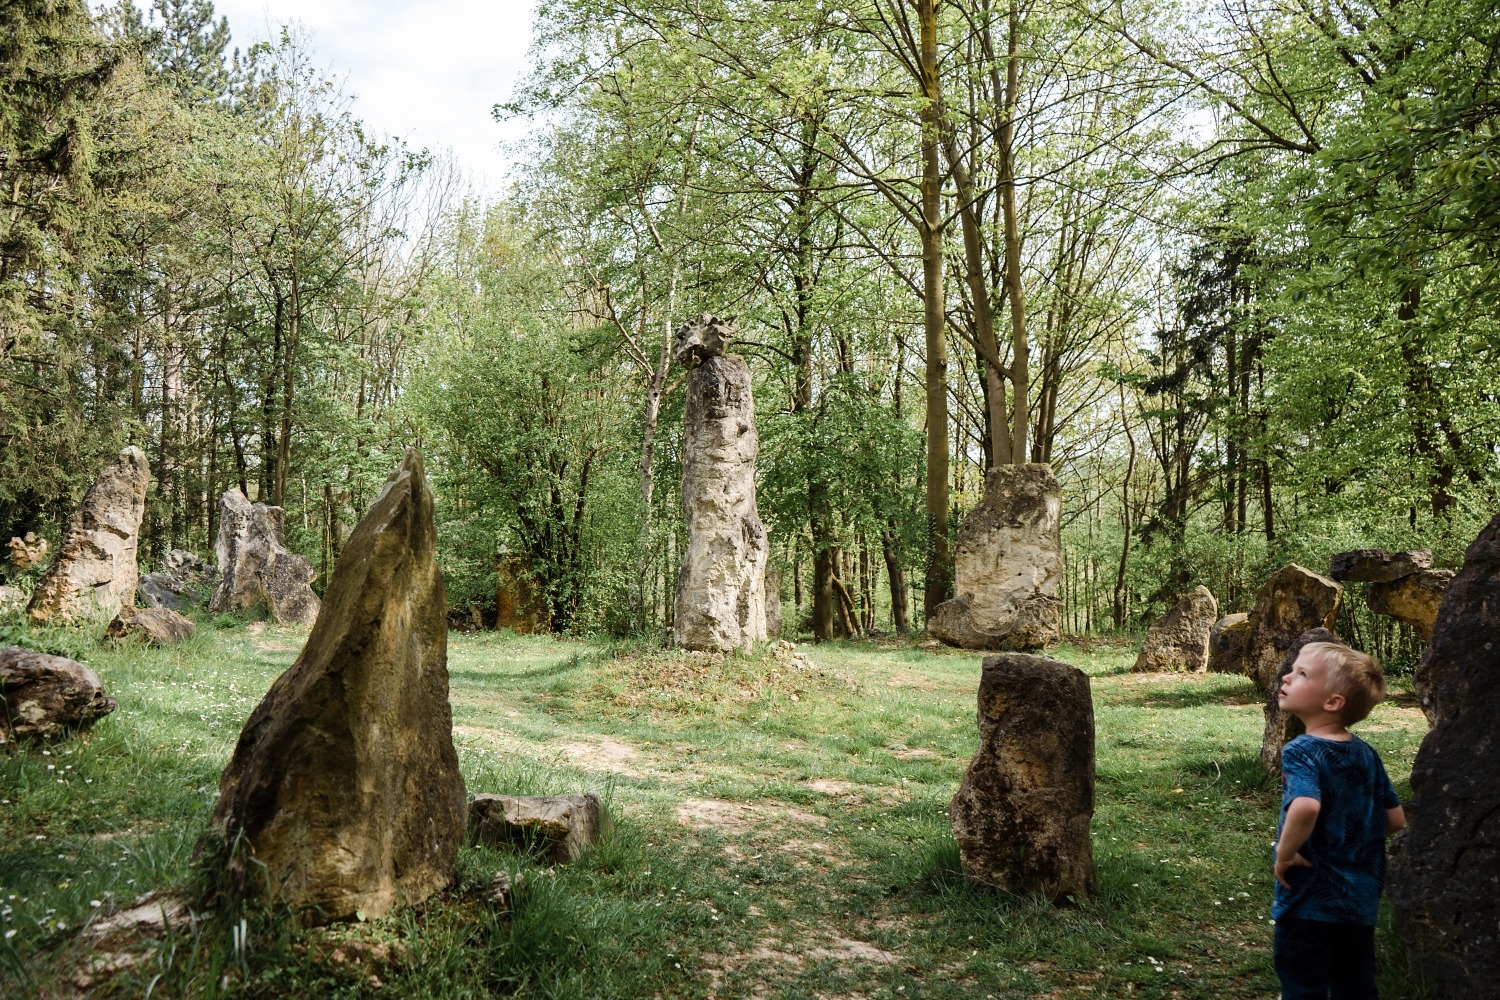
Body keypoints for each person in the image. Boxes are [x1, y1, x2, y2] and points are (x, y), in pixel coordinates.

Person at [1272, 641, 1406, 999]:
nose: (1287, 675)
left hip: (1308, 901)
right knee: (1355, 984)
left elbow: (1305, 807)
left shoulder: (1301, 750)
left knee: (1304, 984)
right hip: (1359, 902)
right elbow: (1394, 818)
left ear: (1332, 702)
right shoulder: (1366, 754)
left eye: (1302, 673)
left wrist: (1285, 853)